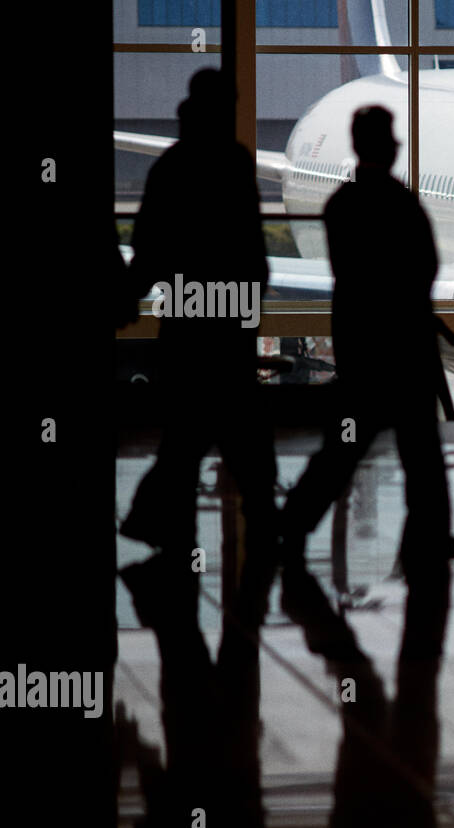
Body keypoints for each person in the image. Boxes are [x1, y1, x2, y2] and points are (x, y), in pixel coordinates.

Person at [280, 105, 453, 569]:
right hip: (406, 347)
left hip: (361, 344)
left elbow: (350, 275)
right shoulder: (401, 201)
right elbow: (425, 267)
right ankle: (429, 537)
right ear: (390, 145)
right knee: (422, 453)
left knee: (342, 449)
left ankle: (291, 527)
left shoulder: (341, 204)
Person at [119, 68, 276, 553]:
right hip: (228, 324)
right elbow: (251, 250)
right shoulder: (234, 163)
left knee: (185, 438)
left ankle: (165, 531)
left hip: (187, 323)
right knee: (243, 440)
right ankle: (266, 532)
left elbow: (149, 247)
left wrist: (128, 296)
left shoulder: (171, 167)